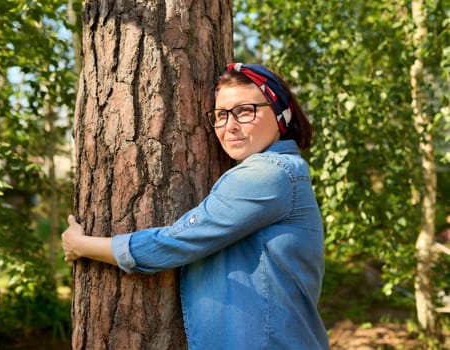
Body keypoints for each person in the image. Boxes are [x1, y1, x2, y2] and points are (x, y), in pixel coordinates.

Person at [62, 63, 330, 349]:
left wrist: (82, 246)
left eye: (245, 110)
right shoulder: (284, 170)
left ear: (279, 114)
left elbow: (177, 242)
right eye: (221, 115)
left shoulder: (269, 174)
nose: (231, 126)